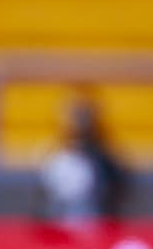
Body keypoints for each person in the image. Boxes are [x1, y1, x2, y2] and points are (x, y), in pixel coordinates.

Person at [37, 94, 129, 225]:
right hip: (60, 228)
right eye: (75, 120)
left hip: (95, 225)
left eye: (83, 120)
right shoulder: (56, 159)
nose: (78, 127)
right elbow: (45, 197)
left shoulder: (104, 160)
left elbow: (116, 193)